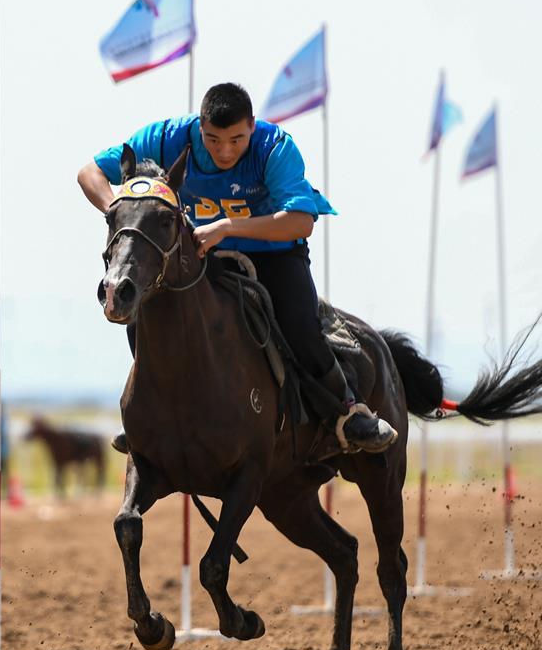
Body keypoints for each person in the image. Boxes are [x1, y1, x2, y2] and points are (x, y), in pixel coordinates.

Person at [78, 83, 396, 454]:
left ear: (252, 126)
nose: (224, 151)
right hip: (200, 253)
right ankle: (150, 415)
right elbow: (90, 173)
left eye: (236, 140)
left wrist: (227, 227)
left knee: (299, 325)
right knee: (146, 307)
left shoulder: (274, 147)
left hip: (276, 254)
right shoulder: (163, 138)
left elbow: (300, 222)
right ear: (199, 128)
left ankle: (347, 411)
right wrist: (124, 210)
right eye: (213, 140)